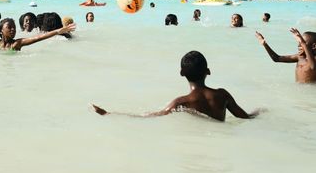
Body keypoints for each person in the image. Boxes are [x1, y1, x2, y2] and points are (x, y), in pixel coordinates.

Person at [92, 51, 259, 122]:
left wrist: (110, 114)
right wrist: (259, 112)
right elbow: (244, 117)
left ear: (181, 73)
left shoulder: (182, 102)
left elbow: (150, 116)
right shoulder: (223, 95)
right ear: (208, 71)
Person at [0, 18, 76, 51]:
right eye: (9, 27)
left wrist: (58, 31)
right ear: (0, 31)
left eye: (14, 27)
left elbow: (39, 37)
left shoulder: (16, 44)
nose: (13, 29)